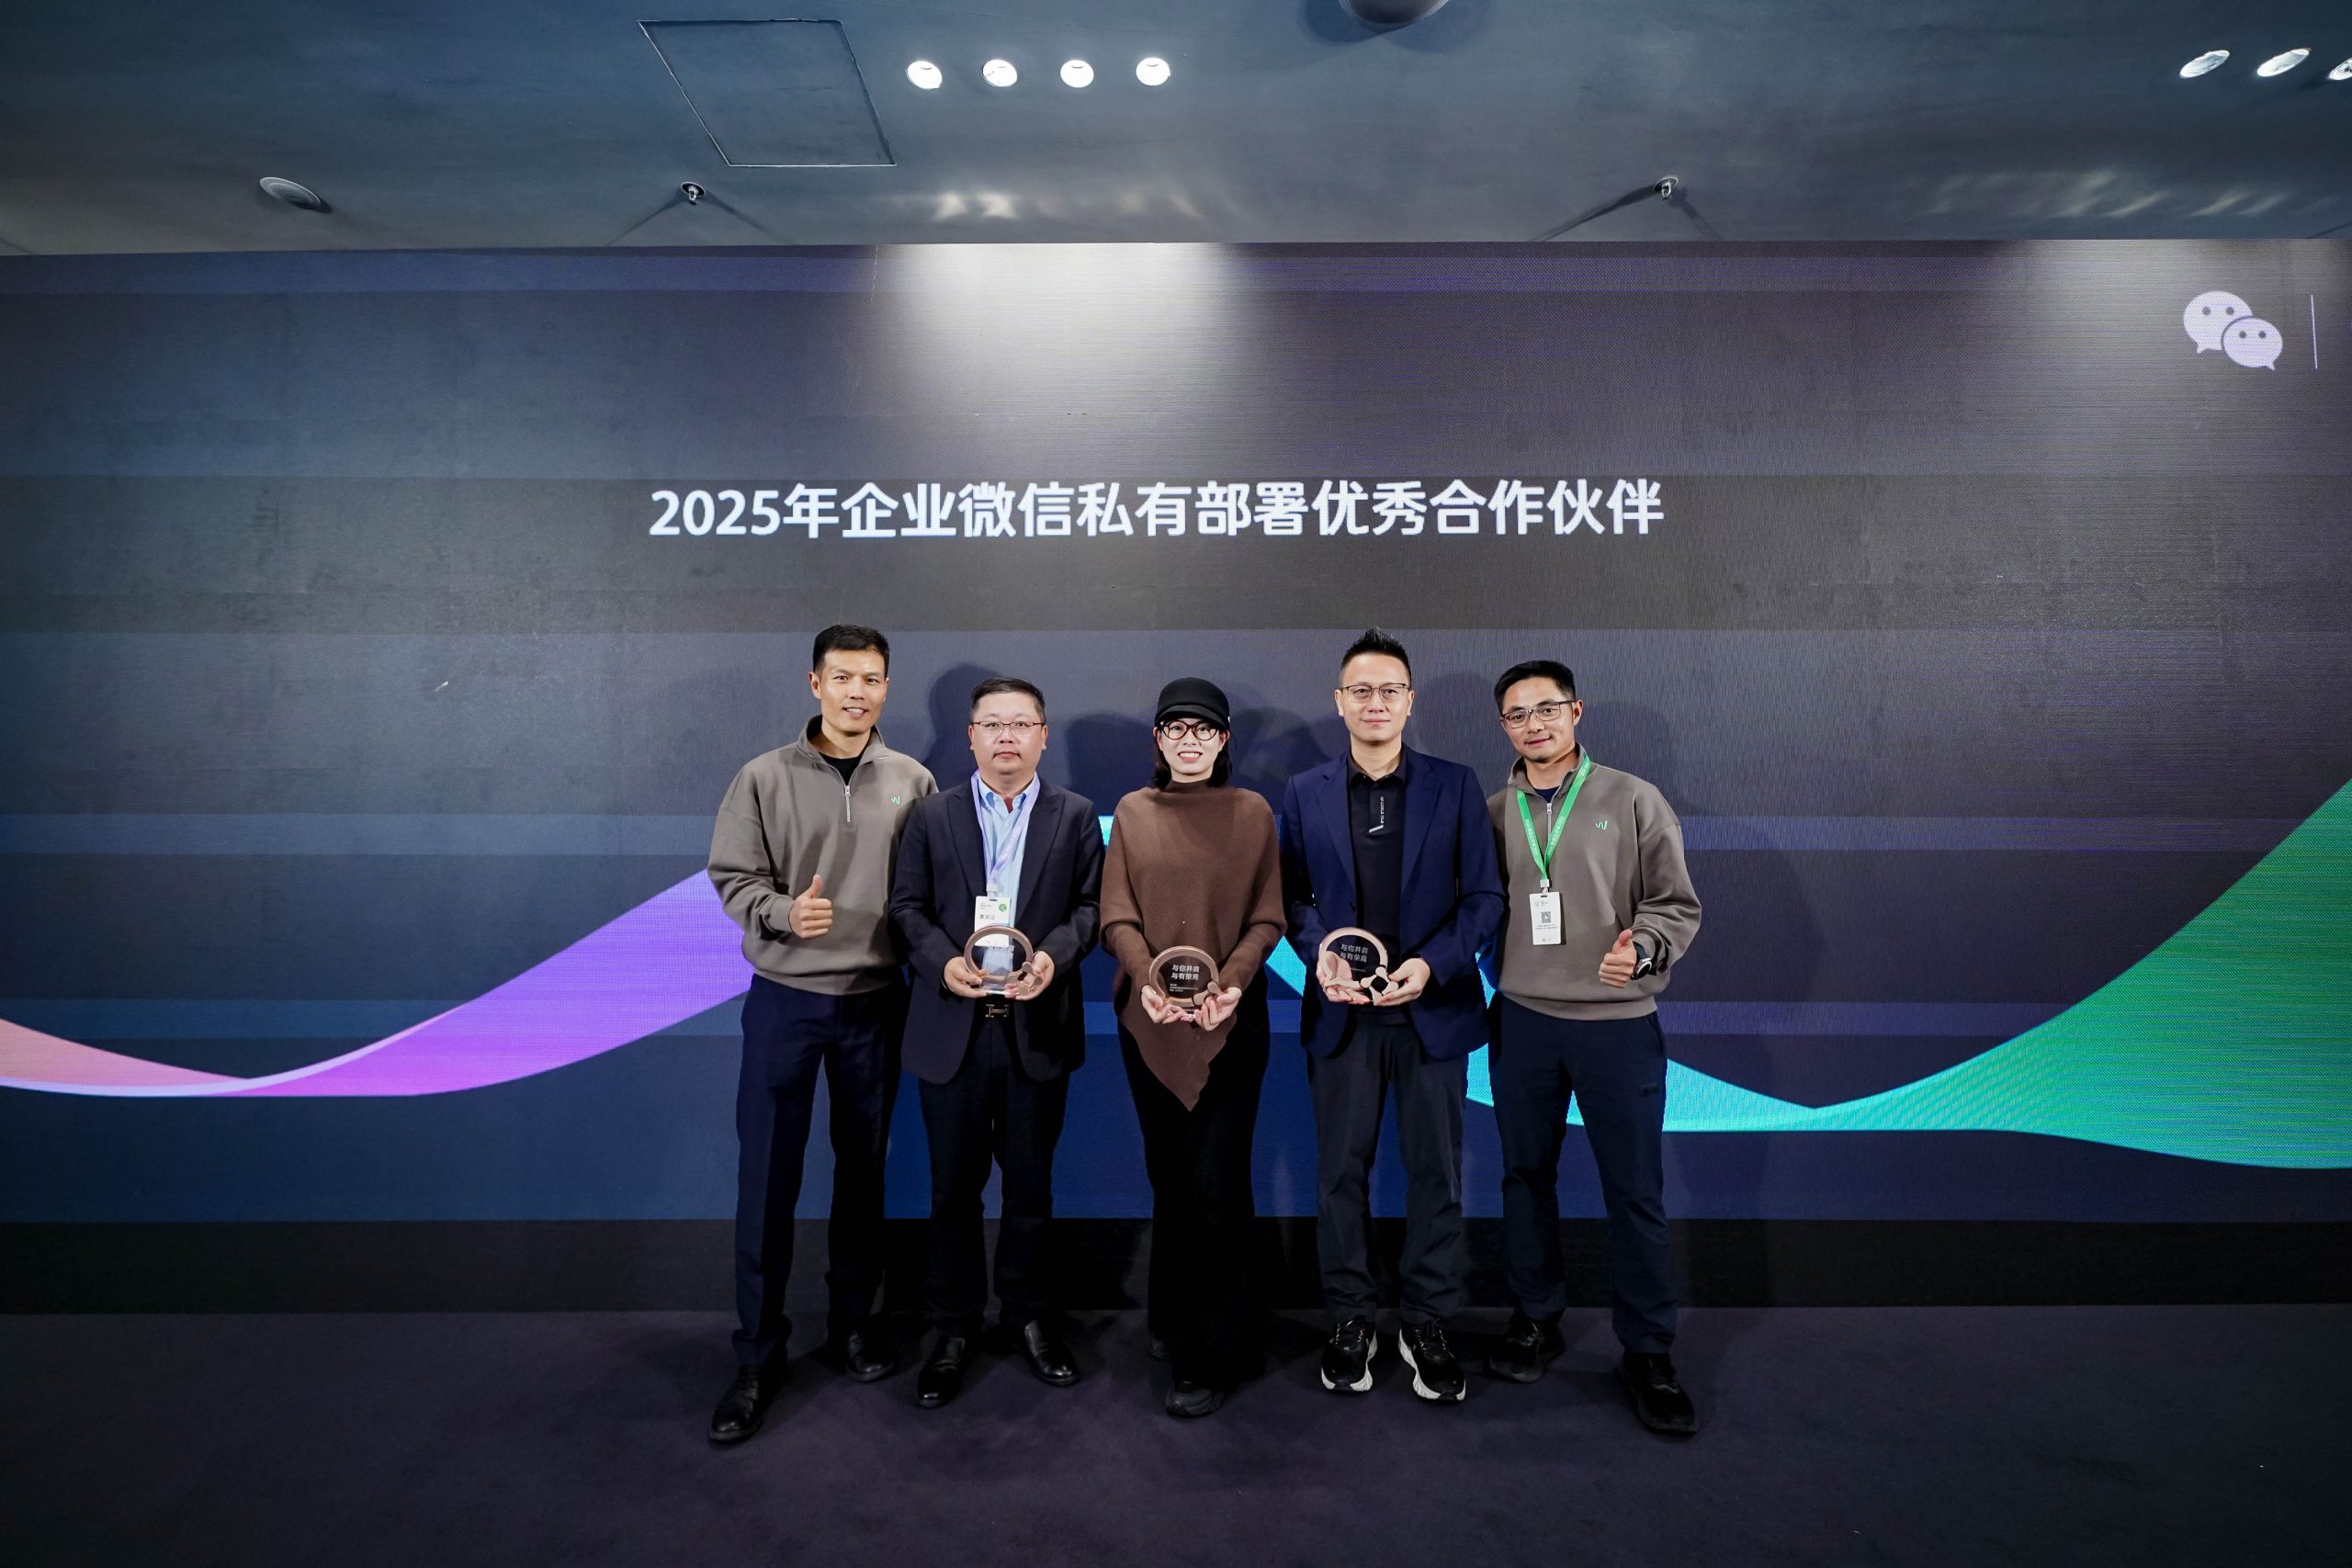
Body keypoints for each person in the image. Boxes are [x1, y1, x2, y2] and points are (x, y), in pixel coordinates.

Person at [704, 624, 937, 1446]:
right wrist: (779, 912)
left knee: (864, 1175)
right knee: (766, 1179)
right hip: (784, 1003)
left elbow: (926, 889)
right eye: (842, 677)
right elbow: (732, 876)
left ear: (885, 687)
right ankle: (756, 1355)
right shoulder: (763, 776)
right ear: (815, 684)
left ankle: (853, 1326)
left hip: (876, 1003)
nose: (856, 692)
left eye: (871, 679)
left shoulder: (913, 780)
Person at [1279, 630, 1505, 1404]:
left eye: (1389, 690)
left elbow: (1485, 898)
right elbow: (1291, 899)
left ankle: (1426, 1321)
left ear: (1409, 701)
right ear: (1339, 701)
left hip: (1432, 1013)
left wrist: (1431, 965)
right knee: (1339, 1174)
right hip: (1342, 1017)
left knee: (1438, 1174)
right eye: (1361, 691)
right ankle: (1351, 1317)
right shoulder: (1304, 790)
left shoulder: (1455, 785)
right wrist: (1321, 953)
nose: (1375, 703)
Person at [1483, 659, 1702, 1435]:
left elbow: (1674, 904)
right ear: (1503, 726)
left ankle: (1648, 1349)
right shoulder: (1493, 812)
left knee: (1634, 1190)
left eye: (1547, 708)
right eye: (1517, 714)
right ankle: (1536, 1317)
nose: (1534, 724)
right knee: (1524, 1178)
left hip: (1617, 1024)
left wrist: (1642, 948)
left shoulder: (1634, 798)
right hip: (1523, 1020)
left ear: (1576, 712)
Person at [888, 676, 1103, 1409]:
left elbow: (1090, 908)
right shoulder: (930, 814)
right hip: (952, 1024)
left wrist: (1055, 959)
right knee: (951, 1190)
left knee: (1031, 1188)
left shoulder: (1076, 815)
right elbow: (906, 908)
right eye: (992, 724)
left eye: (1021, 723)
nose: (1006, 736)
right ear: (971, 736)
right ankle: (952, 1327)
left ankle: (1028, 1315)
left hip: (1035, 1027)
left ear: (1043, 734)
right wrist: (940, 962)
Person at [1099, 678, 1286, 1418]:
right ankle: (1173, 1315)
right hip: (1148, 1022)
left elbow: (1267, 917)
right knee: (1171, 1179)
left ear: (1224, 739)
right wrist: (1147, 979)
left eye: (1203, 729)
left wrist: (1232, 983)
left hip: (1231, 1023)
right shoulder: (1132, 813)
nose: (1189, 740)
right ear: (1158, 739)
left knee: (1218, 1183)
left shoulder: (1253, 812)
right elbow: (1116, 916)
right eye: (1175, 728)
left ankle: (1212, 1351)